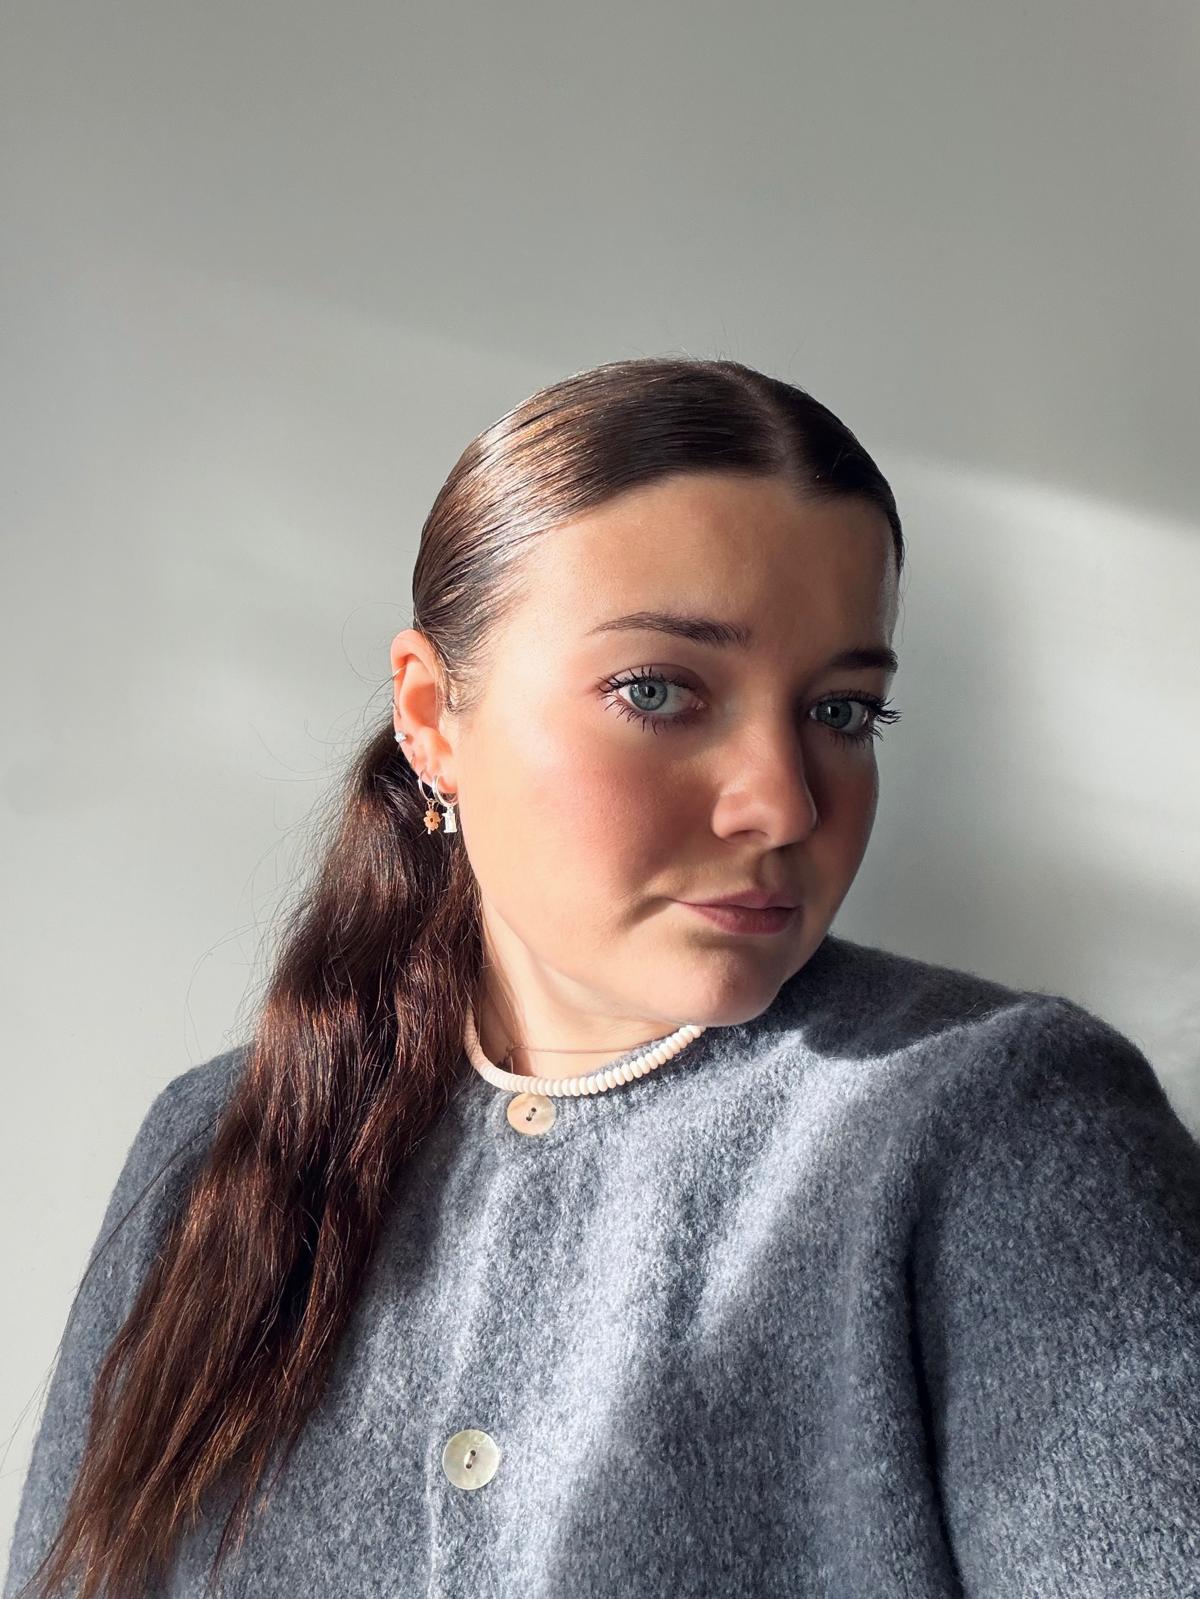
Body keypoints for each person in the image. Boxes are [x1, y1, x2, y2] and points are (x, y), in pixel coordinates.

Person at [5, 355, 1199, 1599]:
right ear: (433, 717)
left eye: (843, 712)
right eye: (658, 690)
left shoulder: (999, 1125)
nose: (784, 803)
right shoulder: (213, 1148)